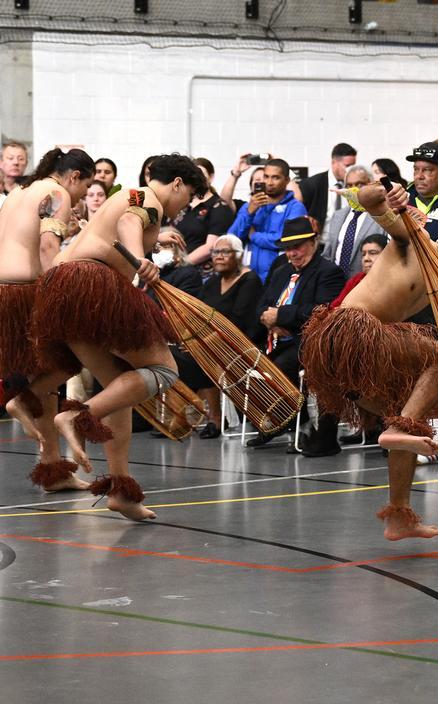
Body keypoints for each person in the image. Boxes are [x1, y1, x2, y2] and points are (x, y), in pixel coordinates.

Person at [302, 186, 438, 541]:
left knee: (410, 422)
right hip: (349, 335)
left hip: (348, 356)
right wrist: (378, 196)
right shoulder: (418, 242)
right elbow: (381, 211)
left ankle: (398, 514)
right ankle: (399, 428)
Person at [29, 154, 205, 520]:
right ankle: (77, 418)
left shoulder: (128, 194)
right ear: (177, 184)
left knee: (119, 389)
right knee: (164, 370)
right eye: (188, 195)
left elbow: (119, 229)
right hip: (94, 284)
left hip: (64, 287)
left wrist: (150, 245)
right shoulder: (147, 198)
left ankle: (121, 490)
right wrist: (142, 258)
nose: (185, 203)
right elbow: (130, 221)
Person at [0, 148, 95, 493]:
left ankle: (53, 470)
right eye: (85, 186)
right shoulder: (55, 193)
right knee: (73, 359)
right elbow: (47, 248)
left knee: (47, 378)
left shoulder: (19, 190)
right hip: (26, 291)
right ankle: (21, 400)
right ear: (73, 177)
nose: (83, 194)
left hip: (4, 290)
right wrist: (59, 296)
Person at [245, 216, 345, 449]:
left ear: (313, 242)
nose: (291, 253)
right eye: (287, 248)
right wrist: (268, 319)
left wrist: (280, 316)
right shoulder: (281, 271)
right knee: (242, 365)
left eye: (296, 247)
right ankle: (277, 420)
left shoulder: (328, 271)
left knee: (279, 368)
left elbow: (322, 309)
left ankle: (288, 421)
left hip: (306, 342)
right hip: (274, 338)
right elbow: (262, 305)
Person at [174, 235, 264, 439]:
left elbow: (237, 322)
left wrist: (201, 343)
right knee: (176, 355)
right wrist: (189, 338)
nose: (219, 257)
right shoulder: (213, 282)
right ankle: (184, 413)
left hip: (242, 342)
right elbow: (199, 315)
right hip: (212, 343)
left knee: (203, 356)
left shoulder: (249, 280)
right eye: (215, 252)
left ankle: (214, 417)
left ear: (238, 256)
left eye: (225, 252)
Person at [226, 158, 307, 281]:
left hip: (280, 277)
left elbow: (283, 240)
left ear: (287, 180)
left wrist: (254, 236)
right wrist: (249, 213)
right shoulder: (251, 205)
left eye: (275, 177)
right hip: (249, 277)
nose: (269, 182)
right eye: (266, 176)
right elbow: (232, 239)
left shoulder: (295, 207)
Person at [174, 158, 235, 266]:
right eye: (192, 174)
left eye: (201, 174)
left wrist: (182, 263)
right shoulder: (182, 204)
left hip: (200, 271)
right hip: (174, 266)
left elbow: (211, 246)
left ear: (211, 177)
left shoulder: (219, 206)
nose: (196, 178)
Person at [321, 165, 379, 277]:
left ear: (370, 184)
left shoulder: (379, 216)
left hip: (366, 282)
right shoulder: (338, 215)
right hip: (335, 282)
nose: (353, 189)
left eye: (359, 184)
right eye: (349, 185)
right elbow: (328, 253)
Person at [299, 142, 357, 232]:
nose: (351, 170)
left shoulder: (355, 185)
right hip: (320, 242)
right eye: (347, 166)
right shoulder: (312, 184)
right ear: (334, 162)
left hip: (345, 242)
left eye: (353, 166)